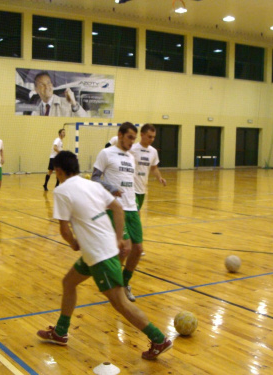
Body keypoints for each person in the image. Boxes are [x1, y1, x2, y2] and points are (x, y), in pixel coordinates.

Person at [36, 151, 172, 360]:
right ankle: (61, 332)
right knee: (69, 282)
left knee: (120, 302)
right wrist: (118, 238)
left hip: (99, 255)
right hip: (99, 251)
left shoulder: (62, 191)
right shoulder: (92, 184)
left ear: (58, 170)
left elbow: (64, 230)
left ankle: (158, 339)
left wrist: (73, 243)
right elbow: (118, 209)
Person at [92, 122, 143, 302]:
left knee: (137, 249)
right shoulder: (106, 153)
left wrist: (135, 204)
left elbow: (130, 182)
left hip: (132, 207)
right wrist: (111, 187)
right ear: (120, 135)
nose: (132, 142)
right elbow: (95, 178)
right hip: (116, 208)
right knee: (125, 248)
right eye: (129, 137)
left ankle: (124, 283)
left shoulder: (130, 157)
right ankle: (116, 287)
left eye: (134, 139)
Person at [130, 124, 167, 211]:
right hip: (131, 188)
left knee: (135, 213)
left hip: (142, 189)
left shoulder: (153, 151)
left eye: (153, 137)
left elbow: (154, 168)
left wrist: (159, 177)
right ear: (142, 135)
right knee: (135, 213)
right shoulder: (132, 149)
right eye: (149, 137)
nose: (152, 139)